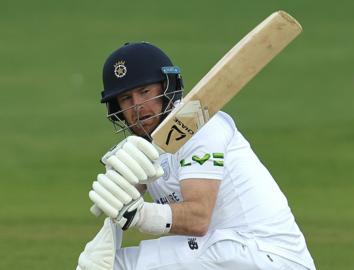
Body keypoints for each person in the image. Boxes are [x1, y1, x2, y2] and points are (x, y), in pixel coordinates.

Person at [78, 42, 316, 270]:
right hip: (225, 251)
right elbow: (124, 207)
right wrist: (122, 190)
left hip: (263, 253)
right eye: (126, 98)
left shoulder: (199, 125)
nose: (138, 106)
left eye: (145, 91)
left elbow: (198, 218)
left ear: (167, 87)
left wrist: (138, 213)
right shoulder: (142, 150)